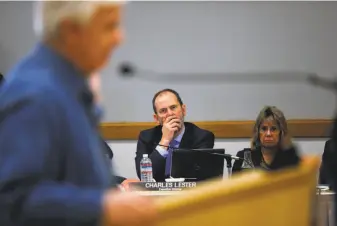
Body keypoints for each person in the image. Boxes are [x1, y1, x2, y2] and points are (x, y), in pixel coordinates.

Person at [0, 2, 156, 226]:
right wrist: (101, 207)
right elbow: (14, 200)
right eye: (109, 27)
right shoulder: (34, 94)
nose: (120, 38)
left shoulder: (69, 87)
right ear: (71, 30)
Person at [135, 88, 215, 182]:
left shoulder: (202, 137)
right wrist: (164, 141)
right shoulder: (146, 137)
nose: (170, 114)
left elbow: (200, 177)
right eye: (163, 110)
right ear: (156, 118)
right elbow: (143, 177)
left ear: (183, 110)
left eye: (173, 107)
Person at [232, 106, 300, 173]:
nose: (268, 134)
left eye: (273, 129)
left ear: (281, 132)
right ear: (257, 132)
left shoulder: (291, 161)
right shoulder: (243, 157)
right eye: (264, 129)